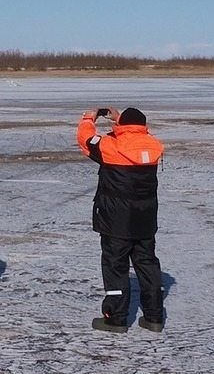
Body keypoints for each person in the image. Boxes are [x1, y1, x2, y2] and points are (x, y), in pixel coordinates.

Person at [77, 106, 166, 333]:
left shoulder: (110, 147)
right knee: (147, 264)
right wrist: (121, 121)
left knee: (115, 267)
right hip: (145, 220)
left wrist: (89, 117)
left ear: (122, 126)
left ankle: (116, 318)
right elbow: (138, 137)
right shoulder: (153, 145)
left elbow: (86, 139)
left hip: (116, 221)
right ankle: (154, 317)